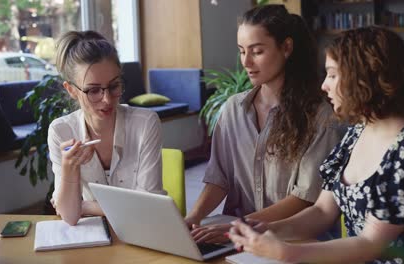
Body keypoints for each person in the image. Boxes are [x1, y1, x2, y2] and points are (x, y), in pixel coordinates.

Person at [229, 26, 404, 264]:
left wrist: (286, 252)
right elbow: (322, 212)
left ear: (365, 77)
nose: (324, 85)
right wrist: (268, 229)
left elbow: (370, 244)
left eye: (333, 75)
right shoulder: (357, 133)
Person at [186, 4, 344, 243]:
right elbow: (219, 178)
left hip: (296, 240)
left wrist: (241, 227)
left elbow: (305, 198)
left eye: (257, 51)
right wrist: (193, 217)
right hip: (238, 238)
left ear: (287, 47)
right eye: (241, 51)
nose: (246, 62)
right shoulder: (232, 110)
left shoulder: (321, 118)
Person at [48, 31, 165, 225]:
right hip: (93, 238)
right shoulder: (61, 132)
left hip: (142, 231)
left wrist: (86, 206)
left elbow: (149, 206)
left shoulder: (144, 124)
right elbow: (69, 216)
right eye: (93, 90)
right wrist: (69, 169)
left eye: (114, 86)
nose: (107, 99)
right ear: (72, 90)